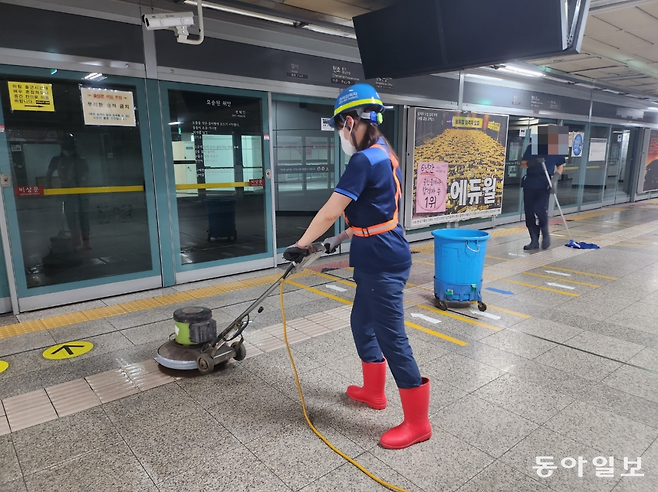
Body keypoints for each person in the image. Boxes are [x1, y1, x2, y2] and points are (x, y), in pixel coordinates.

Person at [283, 84, 431, 450]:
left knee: (391, 337)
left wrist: (300, 246)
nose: (340, 136)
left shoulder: (364, 160)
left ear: (350, 121)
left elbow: (330, 208)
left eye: (338, 128)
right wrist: (341, 237)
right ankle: (373, 392)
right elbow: (377, 208)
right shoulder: (383, 152)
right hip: (373, 251)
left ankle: (418, 423)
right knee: (361, 324)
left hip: (381, 259)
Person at [520, 128, 566, 250]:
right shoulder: (532, 147)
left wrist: (554, 179)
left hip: (545, 183)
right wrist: (533, 162)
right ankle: (533, 240)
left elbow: (560, 167)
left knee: (539, 209)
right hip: (530, 183)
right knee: (529, 212)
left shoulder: (556, 150)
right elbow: (522, 164)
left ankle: (545, 235)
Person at [46, 133, 91, 250]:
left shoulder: (80, 160)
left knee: (83, 216)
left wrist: (81, 184)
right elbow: (48, 175)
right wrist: (50, 190)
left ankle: (85, 242)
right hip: (66, 191)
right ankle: (76, 242)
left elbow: (86, 176)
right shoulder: (56, 160)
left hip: (81, 191)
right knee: (71, 216)